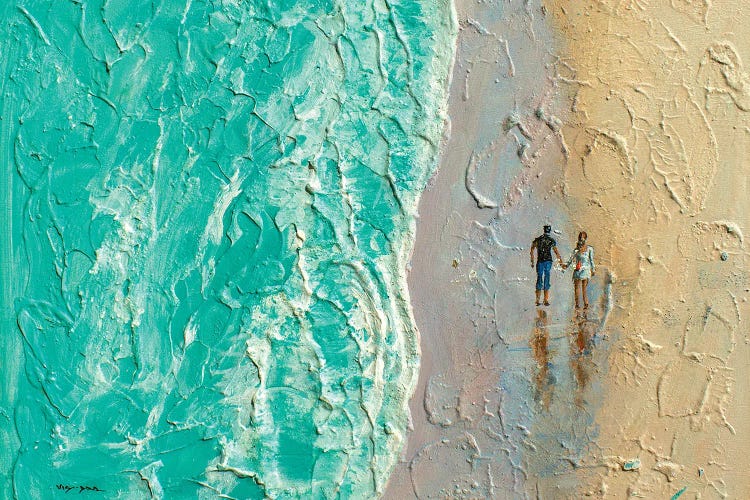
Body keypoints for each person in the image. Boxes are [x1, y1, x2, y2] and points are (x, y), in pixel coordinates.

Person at [530, 225, 563, 306]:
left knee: (539, 279)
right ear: (549, 230)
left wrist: (532, 260)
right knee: (546, 279)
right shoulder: (551, 240)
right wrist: (560, 261)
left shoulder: (538, 239)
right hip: (548, 261)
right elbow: (556, 251)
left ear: (543, 230)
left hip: (540, 261)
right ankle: (545, 300)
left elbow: (532, 249)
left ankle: (537, 300)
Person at [563, 231, 596, 309]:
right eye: (580, 237)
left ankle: (586, 304)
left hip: (585, 270)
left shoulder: (589, 249)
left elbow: (591, 260)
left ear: (585, 238)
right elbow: (571, 259)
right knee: (576, 288)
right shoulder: (576, 250)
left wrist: (593, 269)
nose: (582, 239)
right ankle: (577, 304)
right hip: (577, 270)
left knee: (584, 288)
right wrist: (566, 265)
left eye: (583, 237)